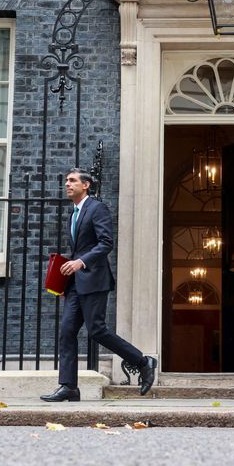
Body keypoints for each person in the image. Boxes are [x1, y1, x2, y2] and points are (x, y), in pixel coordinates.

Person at [40, 168, 157, 401]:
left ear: (86, 185)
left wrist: (80, 263)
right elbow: (80, 248)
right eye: (66, 181)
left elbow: (106, 243)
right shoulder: (73, 214)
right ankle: (69, 387)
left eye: (72, 181)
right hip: (75, 285)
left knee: (97, 331)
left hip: (94, 280)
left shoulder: (97, 208)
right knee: (66, 332)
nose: (67, 184)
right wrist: (67, 274)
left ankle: (143, 362)